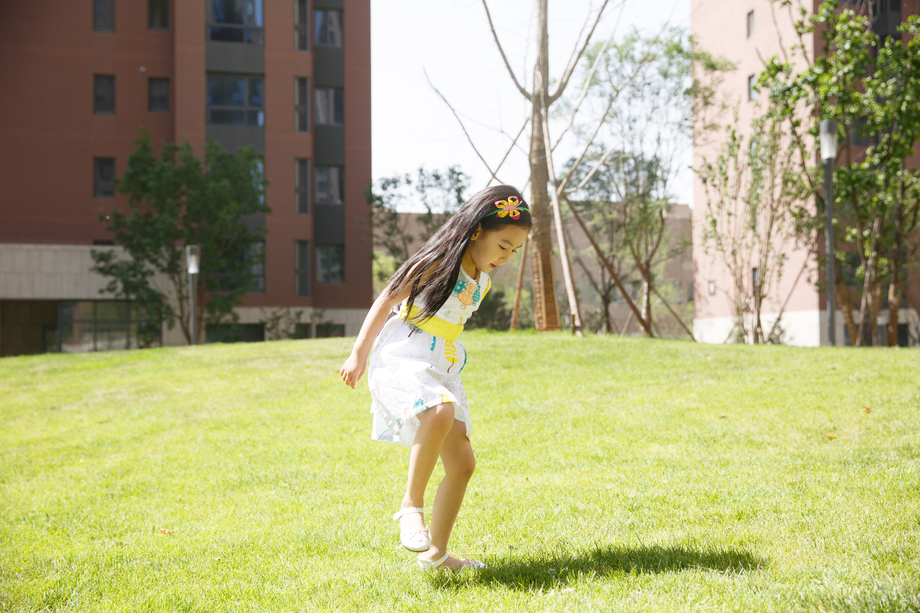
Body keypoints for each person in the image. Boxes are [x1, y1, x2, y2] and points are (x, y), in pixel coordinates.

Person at [340, 185, 531, 571]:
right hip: (401, 353)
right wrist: (359, 353)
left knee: (462, 463)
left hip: (441, 364)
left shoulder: (483, 277)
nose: (507, 257)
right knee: (439, 412)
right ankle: (410, 507)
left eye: (515, 250)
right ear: (477, 230)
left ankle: (437, 556)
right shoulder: (439, 261)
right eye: (503, 246)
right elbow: (387, 300)